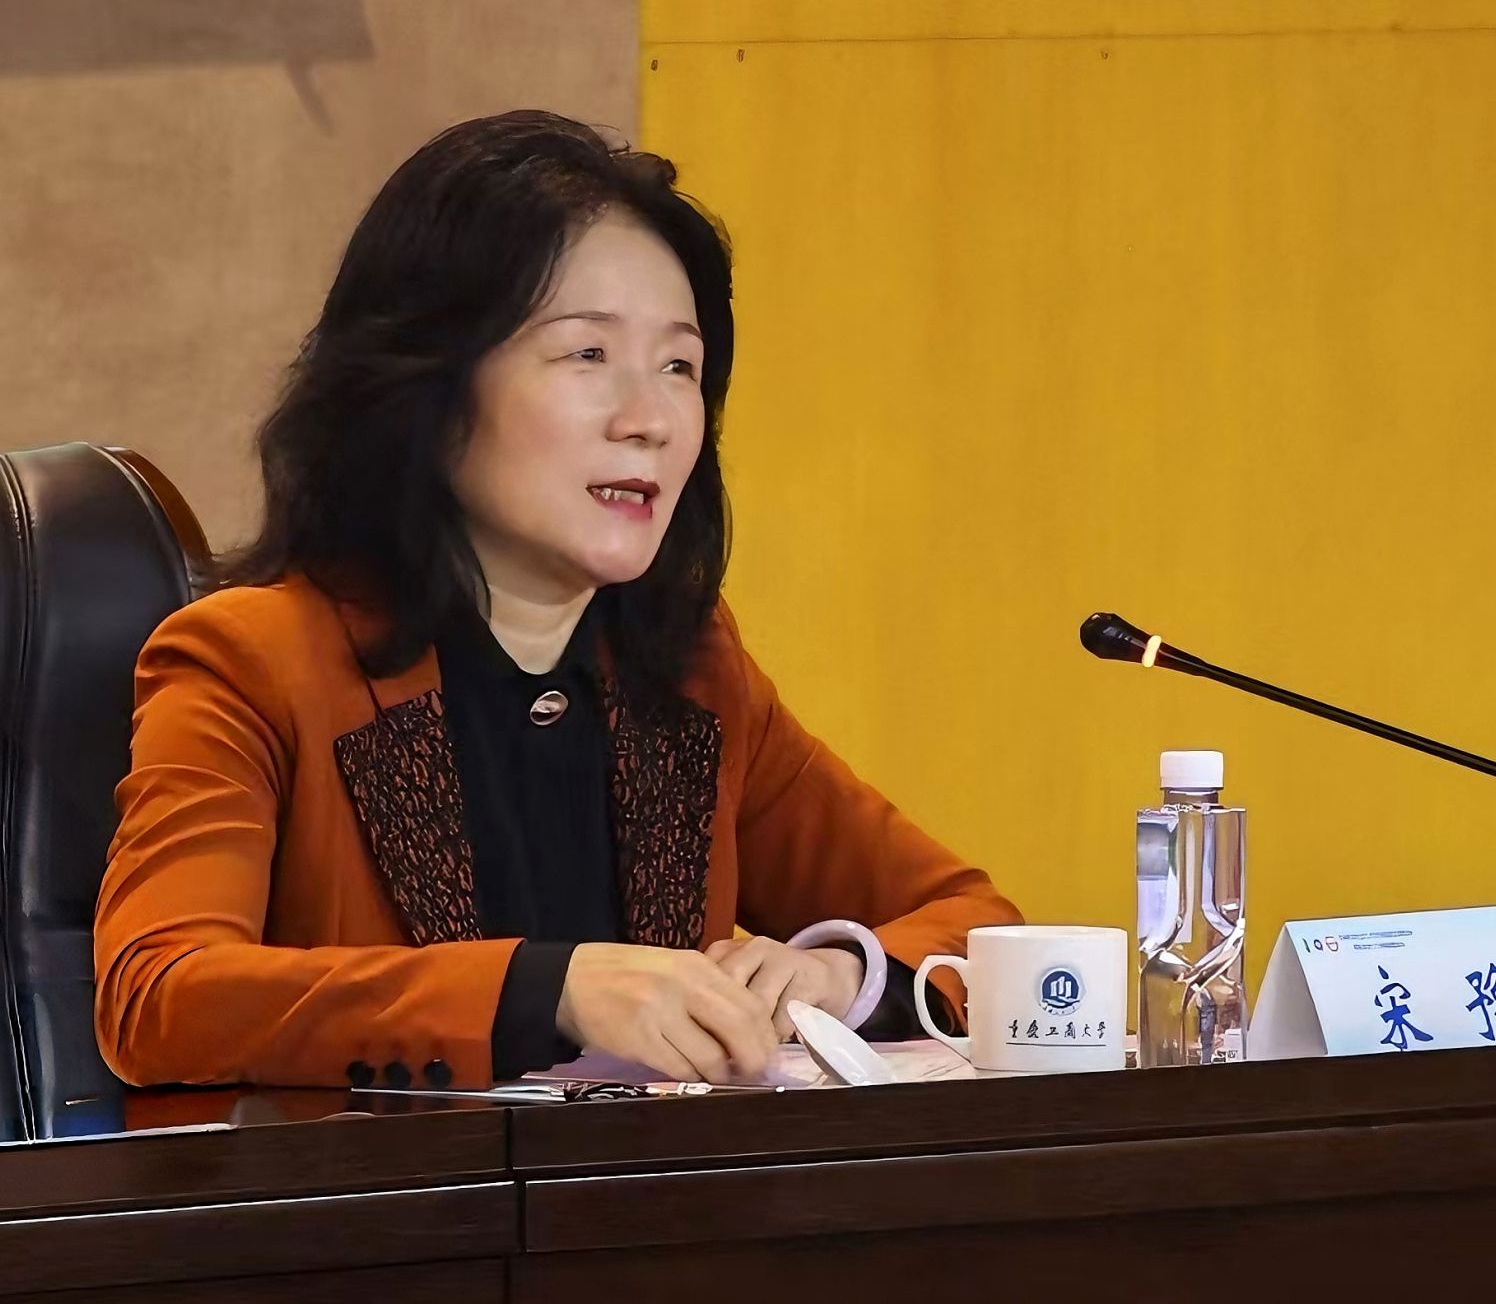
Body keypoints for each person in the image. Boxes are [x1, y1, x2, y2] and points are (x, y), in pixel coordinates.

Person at [93, 110, 1021, 1092]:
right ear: (429, 384)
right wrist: (549, 988)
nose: (649, 419)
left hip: (655, 1190)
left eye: (679, 366)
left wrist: (839, 973)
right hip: (390, 1189)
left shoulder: (688, 669)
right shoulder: (253, 660)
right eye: (587, 356)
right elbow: (159, 997)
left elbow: (978, 926)